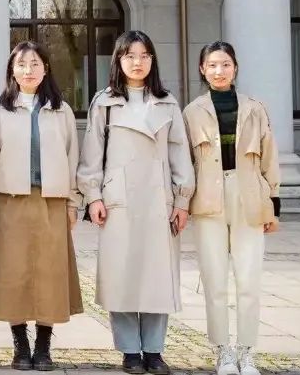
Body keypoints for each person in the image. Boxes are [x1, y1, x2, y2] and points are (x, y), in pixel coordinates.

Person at [78, 31, 194, 375]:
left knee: (157, 276)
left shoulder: (167, 103)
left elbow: (180, 153)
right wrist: (93, 196)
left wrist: (182, 199)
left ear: (152, 60)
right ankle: (130, 350)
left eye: (144, 56)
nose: (137, 62)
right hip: (118, 199)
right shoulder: (105, 103)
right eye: (129, 55)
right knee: (122, 275)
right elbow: (92, 154)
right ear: (118, 60)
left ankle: (154, 350)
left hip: (159, 199)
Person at [0, 41, 83, 371]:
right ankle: (20, 345)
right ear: (12, 70)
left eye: (35, 64)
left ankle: (43, 346)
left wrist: (73, 201)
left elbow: (73, 157)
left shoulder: (61, 110)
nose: (29, 70)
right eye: (22, 64)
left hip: (52, 200)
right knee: (13, 273)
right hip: (10, 201)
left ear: (46, 68)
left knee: (51, 275)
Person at [183, 41, 280, 375]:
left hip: (248, 194)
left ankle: (247, 351)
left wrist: (273, 205)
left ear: (235, 68)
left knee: (249, 278)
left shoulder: (255, 108)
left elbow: (270, 157)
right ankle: (223, 350)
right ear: (202, 69)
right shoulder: (192, 111)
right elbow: (185, 162)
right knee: (214, 280)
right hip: (208, 198)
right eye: (212, 65)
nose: (219, 71)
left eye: (225, 64)